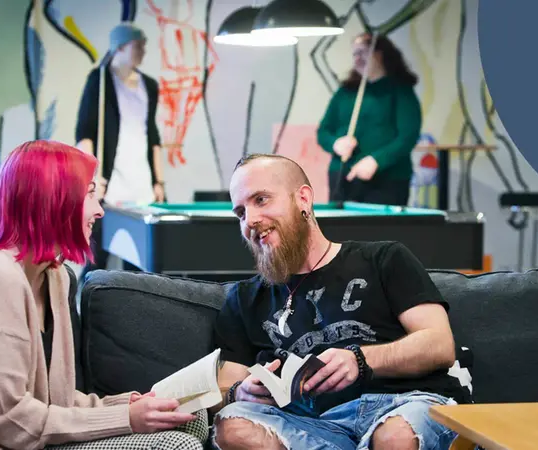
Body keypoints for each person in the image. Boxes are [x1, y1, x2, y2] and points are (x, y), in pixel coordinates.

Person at [0, 140, 207, 449]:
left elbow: (56, 402)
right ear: (53, 199)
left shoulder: (54, 275)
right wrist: (127, 418)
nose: (99, 210)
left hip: (33, 437)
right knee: (176, 444)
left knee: (191, 417)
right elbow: (12, 420)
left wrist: (127, 405)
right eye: (90, 193)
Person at [210, 154, 471, 450]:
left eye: (261, 200)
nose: (251, 220)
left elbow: (439, 344)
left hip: (405, 404)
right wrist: (239, 392)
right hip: (311, 426)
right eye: (240, 212)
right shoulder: (244, 299)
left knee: (395, 437)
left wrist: (360, 360)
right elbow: (225, 385)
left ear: (303, 199)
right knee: (232, 428)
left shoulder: (384, 259)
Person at [75, 22, 165, 277]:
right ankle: (82, 301)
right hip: (109, 183)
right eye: (138, 46)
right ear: (121, 47)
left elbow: (153, 135)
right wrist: (91, 177)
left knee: (139, 262)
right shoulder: (100, 80)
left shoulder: (149, 85)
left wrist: (159, 181)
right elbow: (85, 132)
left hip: (142, 183)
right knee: (96, 259)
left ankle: (132, 303)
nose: (143, 51)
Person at [317, 33, 423, 206]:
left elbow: (407, 137)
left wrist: (376, 161)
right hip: (342, 176)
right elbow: (323, 132)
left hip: (387, 179)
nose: (357, 58)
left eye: (363, 52)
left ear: (380, 54)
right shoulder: (345, 92)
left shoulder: (400, 90)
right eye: (355, 54)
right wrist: (335, 144)